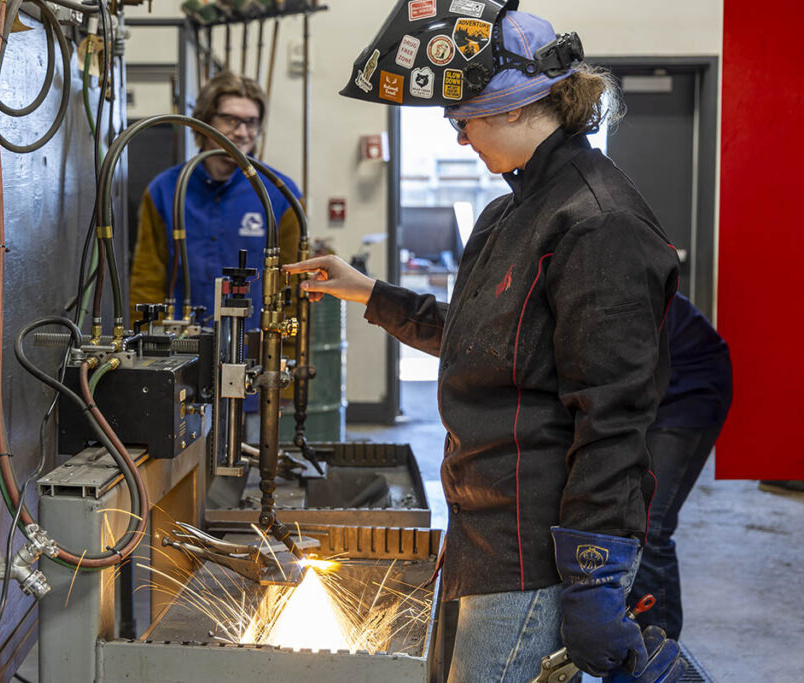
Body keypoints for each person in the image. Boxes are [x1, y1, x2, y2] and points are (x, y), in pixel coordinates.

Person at [287, 3, 686, 682]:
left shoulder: (598, 223)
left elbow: (613, 418)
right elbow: (480, 339)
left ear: (514, 106)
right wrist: (367, 292)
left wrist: (594, 575)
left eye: (463, 118)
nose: (460, 136)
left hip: (530, 556)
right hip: (481, 533)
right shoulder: (510, 212)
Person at [129, 71, 301, 328]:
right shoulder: (165, 190)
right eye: (231, 120)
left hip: (254, 353)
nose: (242, 132)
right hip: (180, 351)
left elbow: (292, 289)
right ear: (204, 121)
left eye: (251, 122)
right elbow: (147, 283)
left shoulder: (281, 195)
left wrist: (285, 358)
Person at [629, 292, 732, 640]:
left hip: (687, 390)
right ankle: (627, 651)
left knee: (648, 528)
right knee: (625, 523)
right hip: (650, 385)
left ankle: (657, 659)